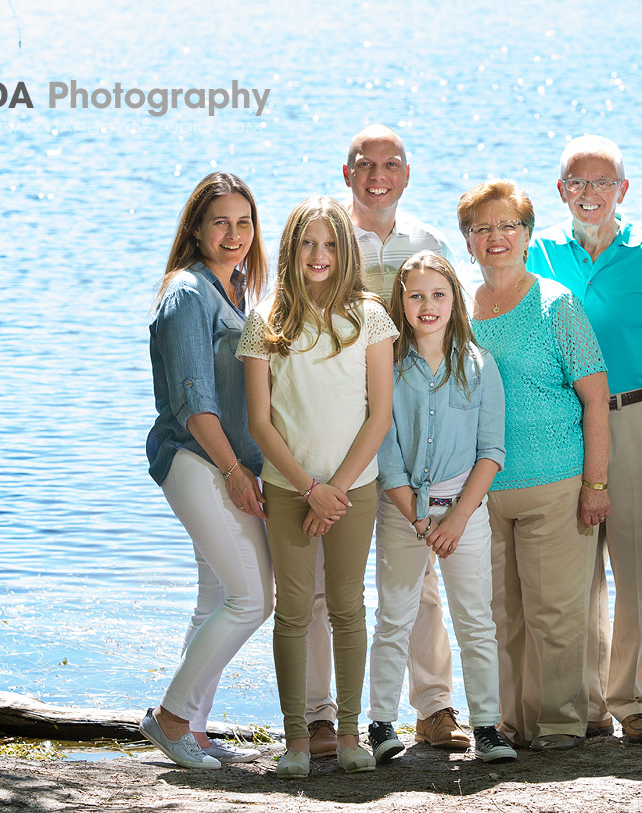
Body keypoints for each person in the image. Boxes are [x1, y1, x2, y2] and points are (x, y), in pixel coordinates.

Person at [528, 136, 642, 745]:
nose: (589, 194)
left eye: (602, 183)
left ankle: (634, 702)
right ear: (560, 191)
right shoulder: (537, 253)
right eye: (577, 183)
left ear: (623, 190)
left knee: (636, 571)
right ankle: (583, 706)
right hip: (563, 426)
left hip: (638, 421)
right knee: (574, 574)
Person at [301, 125, 466, 759]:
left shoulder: (427, 243)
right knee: (322, 582)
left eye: (390, 163)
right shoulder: (322, 237)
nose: (377, 174)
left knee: (418, 577)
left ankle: (433, 708)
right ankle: (321, 717)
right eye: (364, 164)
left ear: (406, 173)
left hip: (410, 432)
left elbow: (452, 336)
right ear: (347, 174)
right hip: (335, 430)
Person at [237, 196, 397, 777]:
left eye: (330, 243)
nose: (319, 254)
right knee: (294, 611)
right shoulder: (267, 319)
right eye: (308, 243)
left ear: (346, 250)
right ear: (291, 249)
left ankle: (352, 735)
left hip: (354, 487)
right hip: (289, 487)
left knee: (350, 608)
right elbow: (260, 421)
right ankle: (297, 741)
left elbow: (379, 414)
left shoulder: (370, 317)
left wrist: (337, 490)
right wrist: (309, 489)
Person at [459, 179, 611, 751]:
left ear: (526, 235)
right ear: (468, 240)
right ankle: (509, 724)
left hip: (556, 480)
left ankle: (560, 723)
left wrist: (595, 482)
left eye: (508, 227)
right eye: (482, 228)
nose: (495, 238)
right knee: (501, 616)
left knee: (555, 613)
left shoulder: (557, 303)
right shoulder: (459, 311)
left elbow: (595, 399)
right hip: (483, 487)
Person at [139, 172, 274, 769]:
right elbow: (196, 404)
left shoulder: (233, 292)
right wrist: (236, 472)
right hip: (197, 461)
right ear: (196, 227)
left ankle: (190, 725)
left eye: (244, 222)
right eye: (220, 221)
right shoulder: (187, 294)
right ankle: (169, 718)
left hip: (222, 462)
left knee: (217, 595)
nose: (234, 234)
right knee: (253, 597)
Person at [366, 251, 517, 765]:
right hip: (404, 510)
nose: (427, 306)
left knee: (475, 620)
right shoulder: (387, 363)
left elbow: (492, 450)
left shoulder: (480, 365)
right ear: (400, 302)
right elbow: (386, 457)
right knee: (396, 616)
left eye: (438, 295)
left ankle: (488, 727)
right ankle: (382, 722)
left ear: (455, 299)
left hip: (464, 513)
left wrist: (454, 518)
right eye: (415, 296)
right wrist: (419, 518)